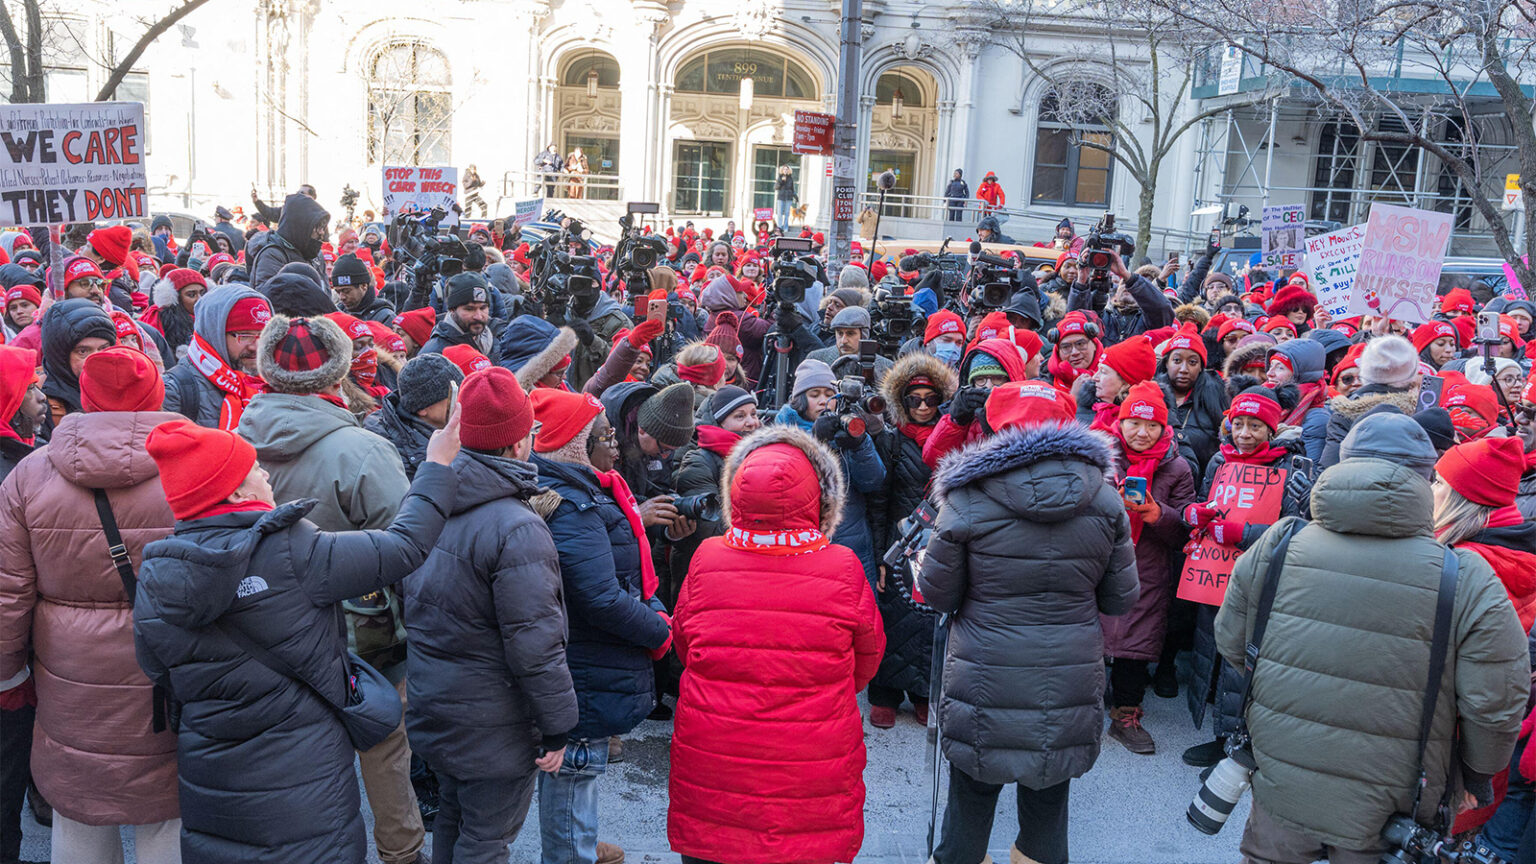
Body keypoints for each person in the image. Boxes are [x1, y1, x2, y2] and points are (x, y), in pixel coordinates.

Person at [132, 411, 460, 864]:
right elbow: (405, 545)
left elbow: (156, 667)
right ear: (235, 491)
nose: (266, 474)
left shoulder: (157, 574)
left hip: (211, 771)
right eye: (254, 470)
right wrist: (437, 465)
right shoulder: (292, 550)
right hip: (305, 771)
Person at [1215, 413, 1528, 863]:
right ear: (1426, 476)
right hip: (1397, 798)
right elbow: (1495, 700)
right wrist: (1477, 776)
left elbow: (1232, 640)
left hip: (1283, 775)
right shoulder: (1464, 574)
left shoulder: (1282, 543)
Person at [236, 315, 431, 864]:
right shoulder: (361, 449)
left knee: (296, 745)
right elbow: (407, 545)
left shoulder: (235, 437)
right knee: (384, 739)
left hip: (266, 617)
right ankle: (401, 850)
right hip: (361, 623)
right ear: (340, 369)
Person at [920, 381, 1138, 864]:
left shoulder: (968, 499)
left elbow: (937, 593)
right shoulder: (1104, 499)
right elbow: (1121, 598)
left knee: (971, 794)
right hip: (1068, 673)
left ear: (995, 427)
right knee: (1048, 796)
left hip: (984, 673)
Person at [667, 424, 884, 864]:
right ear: (821, 501)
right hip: (810, 758)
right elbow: (867, 660)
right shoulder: (841, 567)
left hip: (717, 752)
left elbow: (684, 643)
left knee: (717, 843)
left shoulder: (707, 557)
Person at [0, 348, 181, 864]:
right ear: (157, 392)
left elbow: (7, 591)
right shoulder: (196, 462)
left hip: (70, 674)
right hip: (170, 667)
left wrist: (8, 675)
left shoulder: (30, 475)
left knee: (78, 810)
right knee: (168, 814)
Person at [405, 367, 577, 864]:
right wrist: (558, 725)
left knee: (455, 820)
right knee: (486, 840)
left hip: (437, 705)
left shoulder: (426, 501)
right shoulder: (516, 527)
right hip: (494, 721)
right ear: (519, 443)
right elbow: (536, 643)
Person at [530, 388, 671, 864]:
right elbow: (599, 597)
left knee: (578, 769)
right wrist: (659, 630)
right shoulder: (572, 507)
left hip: (586, 661)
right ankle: (572, 851)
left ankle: (580, 844)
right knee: (574, 767)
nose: (615, 444)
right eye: (605, 435)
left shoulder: (583, 491)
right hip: (585, 666)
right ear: (574, 445)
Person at [1182, 386, 1316, 768]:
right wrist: (1195, 517)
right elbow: (1207, 502)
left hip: (1261, 579)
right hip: (1215, 572)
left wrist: (1242, 534)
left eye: (1254, 426)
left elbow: (1297, 530)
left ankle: (1234, 739)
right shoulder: (1218, 462)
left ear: (1271, 430)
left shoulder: (1292, 468)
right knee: (1212, 644)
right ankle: (1218, 731)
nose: (1243, 433)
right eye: (1238, 424)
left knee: (1243, 658)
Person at [1099, 380, 1198, 755]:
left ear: (1164, 428)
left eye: (1151, 426)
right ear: (1120, 423)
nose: (1142, 433)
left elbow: (1184, 532)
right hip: (1099, 561)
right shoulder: (1100, 454)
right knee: (1087, 637)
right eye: (1134, 424)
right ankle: (1082, 707)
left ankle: (1125, 713)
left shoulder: (1177, 466)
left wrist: (1157, 514)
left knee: (1135, 644)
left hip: (1149, 565)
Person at [867, 351, 957, 729]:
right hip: (897, 538)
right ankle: (884, 693)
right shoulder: (891, 440)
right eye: (914, 400)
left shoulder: (954, 440)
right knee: (891, 614)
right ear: (901, 402)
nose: (922, 406)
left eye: (931, 399)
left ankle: (923, 693)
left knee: (929, 617)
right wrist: (879, 556)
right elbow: (879, 502)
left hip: (938, 538)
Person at [774, 358, 887, 587]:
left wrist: (859, 444)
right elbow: (784, 485)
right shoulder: (782, 428)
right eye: (814, 394)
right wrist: (815, 441)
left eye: (828, 393)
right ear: (800, 399)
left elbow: (873, 481)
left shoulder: (848, 425)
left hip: (852, 542)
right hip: (802, 543)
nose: (823, 400)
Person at [161, 287, 273, 430]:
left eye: (264, 335)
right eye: (245, 336)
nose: (256, 346)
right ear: (214, 334)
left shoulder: (274, 382)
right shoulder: (175, 390)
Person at [1318, 335, 1420, 471]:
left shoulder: (1345, 413)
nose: (1354, 383)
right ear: (1411, 373)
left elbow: (1328, 470)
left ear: (1365, 373)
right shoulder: (1420, 411)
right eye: (1347, 379)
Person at [366, 353, 465, 480]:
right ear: (422, 408)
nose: (461, 401)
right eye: (453, 396)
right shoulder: (393, 454)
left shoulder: (454, 426)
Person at [39, 298, 117, 430]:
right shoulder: (41, 405)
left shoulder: (126, 389)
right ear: (59, 356)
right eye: (83, 351)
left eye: (103, 348)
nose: (95, 359)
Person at [247, 192, 330, 291]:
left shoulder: (316, 255)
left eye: (323, 227)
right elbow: (271, 296)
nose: (322, 233)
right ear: (302, 225)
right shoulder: (273, 255)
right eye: (317, 227)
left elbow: (326, 294)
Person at [421, 272, 498, 360]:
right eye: (469, 309)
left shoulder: (496, 341)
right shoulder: (434, 355)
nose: (478, 316)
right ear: (452, 310)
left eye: (483, 308)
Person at [333, 253, 397, 325]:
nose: (342, 297)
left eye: (346, 291)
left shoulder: (385, 317)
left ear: (364, 286)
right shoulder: (337, 314)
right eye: (338, 292)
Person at [774, 165, 797, 232]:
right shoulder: (779, 178)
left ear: (789, 170)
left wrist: (795, 196)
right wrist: (782, 181)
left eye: (787, 169)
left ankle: (785, 227)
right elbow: (776, 187)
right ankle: (779, 227)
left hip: (788, 198)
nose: (785, 170)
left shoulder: (790, 178)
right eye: (784, 169)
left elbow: (792, 189)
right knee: (780, 213)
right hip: (781, 197)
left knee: (787, 213)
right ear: (782, 170)